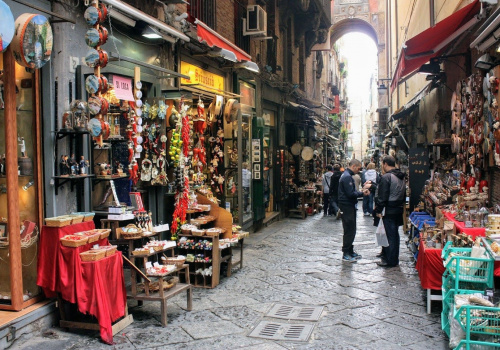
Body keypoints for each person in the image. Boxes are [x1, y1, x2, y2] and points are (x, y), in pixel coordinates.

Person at [370, 155, 406, 267]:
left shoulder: (387, 177)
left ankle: (391, 260)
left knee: (390, 235)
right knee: (394, 234)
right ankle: (393, 258)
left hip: (389, 210)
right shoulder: (401, 176)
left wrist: (378, 210)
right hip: (398, 209)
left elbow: (383, 196)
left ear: (385, 164)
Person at [338, 159, 369, 262]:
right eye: (359, 168)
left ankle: (350, 250)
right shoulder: (347, 177)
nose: (359, 170)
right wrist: (362, 193)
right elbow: (350, 194)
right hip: (347, 206)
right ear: (354, 166)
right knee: (349, 229)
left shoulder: (347, 176)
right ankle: (346, 253)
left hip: (348, 205)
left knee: (351, 229)